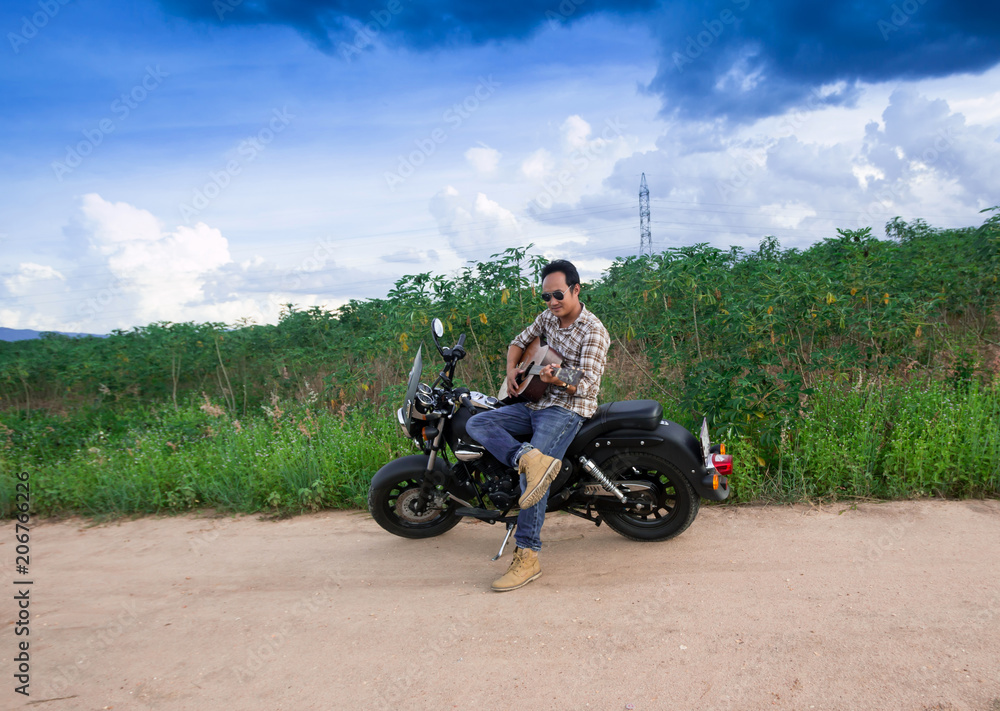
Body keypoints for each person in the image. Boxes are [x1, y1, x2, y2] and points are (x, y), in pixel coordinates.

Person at [466, 259, 610, 592]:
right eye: (546, 297)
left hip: (565, 409)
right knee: (478, 423)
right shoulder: (548, 318)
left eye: (558, 295)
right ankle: (527, 458)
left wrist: (558, 378)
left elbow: (588, 384)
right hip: (533, 402)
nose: (551, 303)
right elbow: (517, 342)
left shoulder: (593, 330)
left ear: (576, 289)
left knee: (533, 485)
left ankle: (528, 556)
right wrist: (512, 370)